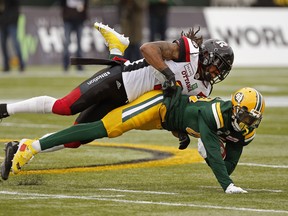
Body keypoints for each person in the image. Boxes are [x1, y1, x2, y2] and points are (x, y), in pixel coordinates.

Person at [0, 22, 234, 180]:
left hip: (127, 102)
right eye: (217, 67)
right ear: (206, 56)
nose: (216, 73)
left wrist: (179, 131)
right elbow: (147, 48)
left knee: (76, 138)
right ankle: (6, 108)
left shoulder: (203, 88)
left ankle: (23, 146)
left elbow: (173, 109)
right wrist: (169, 74)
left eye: (221, 71)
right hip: (120, 80)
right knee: (64, 107)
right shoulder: (188, 51)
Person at [10, 87, 265, 193]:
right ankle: (30, 147)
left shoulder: (245, 130)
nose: (248, 122)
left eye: (253, 118)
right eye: (245, 115)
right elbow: (211, 147)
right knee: (101, 129)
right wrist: (227, 185)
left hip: (166, 122)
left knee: (99, 131)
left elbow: (228, 161)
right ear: (235, 107)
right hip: (158, 106)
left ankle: (31, 145)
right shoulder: (215, 114)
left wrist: (216, 164)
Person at [60, 0, 88, 71]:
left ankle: (79, 66)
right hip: (68, 20)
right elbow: (62, 4)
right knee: (67, 42)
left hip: (79, 20)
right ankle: (65, 65)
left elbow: (86, 5)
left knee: (79, 44)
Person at [0, 0, 25, 72]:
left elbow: (16, 8)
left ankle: (21, 64)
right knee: (3, 45)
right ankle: (6, 65)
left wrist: (14, 20)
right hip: (3, 23)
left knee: (15, 43)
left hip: (12, 23)